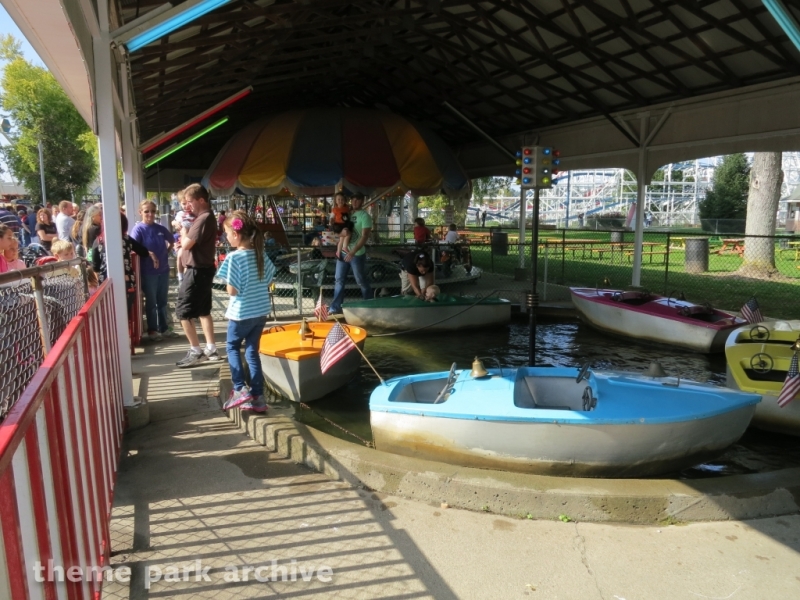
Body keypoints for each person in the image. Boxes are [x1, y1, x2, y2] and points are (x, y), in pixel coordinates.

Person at [217, 211, 276, 413]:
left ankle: (240, 388)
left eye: (226, 233)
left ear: (235, 234)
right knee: (252, 352)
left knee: (232, 347)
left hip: (241, 313)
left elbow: (232, 290)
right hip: (260, 312)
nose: (226, 237)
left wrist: (231, 285)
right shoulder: (260, 255)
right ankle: (258, 397)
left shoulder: (234, 258)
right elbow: (269, 280)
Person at [175, 184, 220, 368]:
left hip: (197, 270)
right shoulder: (205, 217)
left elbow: (187, 244)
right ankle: (211, 348)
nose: (188, 205)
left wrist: (182, 230)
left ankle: (196, 350)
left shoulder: (203, 218)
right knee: (203, 310)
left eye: (190, 201)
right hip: (202, 268)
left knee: (182, 311)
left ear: (201, 200)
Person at [130, 200, 176, 342]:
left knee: (162, 301)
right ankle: (152, 329)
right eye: (146, 211)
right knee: (151, 302)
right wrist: (149, 253)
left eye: (153, 211)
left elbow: (172, 240)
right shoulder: (138, 229)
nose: (150, 214)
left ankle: (164, 328)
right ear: (140, 212)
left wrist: (167, 251)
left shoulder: (160, 228)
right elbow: (134, 247)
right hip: (148, 271)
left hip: (163, 270)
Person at [329, 192, 372, 314]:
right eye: (353, 200)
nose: (354, 202)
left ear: (362, 201)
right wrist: (339, 233)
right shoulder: (348, 212)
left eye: (357, 200)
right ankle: (336, 307)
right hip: (343, 252)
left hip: (356, 254)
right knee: (339, 279)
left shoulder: (365, 216)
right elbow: (337, 230)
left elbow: (364, 236)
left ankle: (369, 304)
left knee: (360, 280)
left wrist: (353, 251)